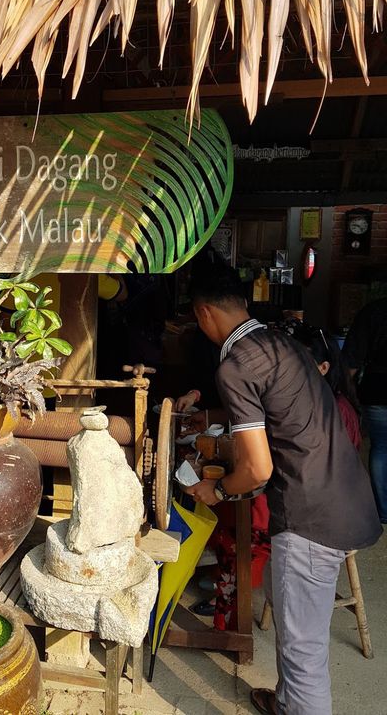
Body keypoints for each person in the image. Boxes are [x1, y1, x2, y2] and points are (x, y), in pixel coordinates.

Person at [186, 266, 381, 715]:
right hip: (346, 497)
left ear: (203, 313)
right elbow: (279, 408)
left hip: (311, 516)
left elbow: (256, 469)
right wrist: (212, 414)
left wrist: (217, 490)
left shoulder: (235, 364)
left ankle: (300, 701)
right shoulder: (279, 343)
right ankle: (288, 702)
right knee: (278, 587)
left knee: (303, 652)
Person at [342, 298, 387, 522]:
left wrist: (346, 392)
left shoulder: (374, 310)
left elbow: (352, 359)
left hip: (377, 387)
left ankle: (383, 511)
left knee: (381, 447)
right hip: (376, 387)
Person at [290, 323, 362, 451]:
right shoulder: (295, 399)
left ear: (323, 368)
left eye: (301, 363)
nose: (292, 369)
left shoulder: (338, 409)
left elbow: (342, 461)